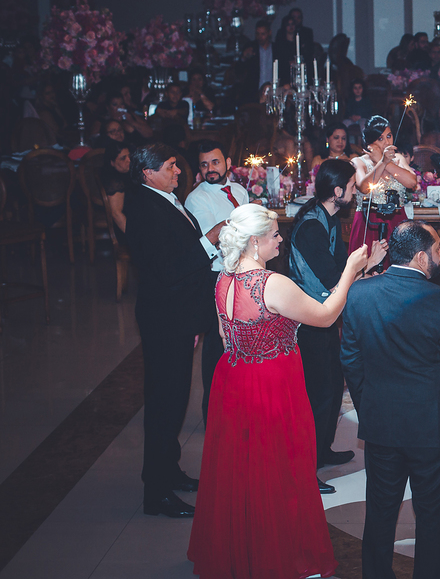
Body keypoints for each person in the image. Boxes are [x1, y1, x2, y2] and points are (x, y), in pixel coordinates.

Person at [187, 205, 369, 578]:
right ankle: (278, 555)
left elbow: (225, 336)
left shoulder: (223, 279)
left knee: (241, 472)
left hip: (234, 380)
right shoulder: (272, 284)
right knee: (279, 470)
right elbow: (325, 316)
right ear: (255, 242)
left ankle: (241, 552)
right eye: (274, 234)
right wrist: (350, 271)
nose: (281, 239)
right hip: (271, 384)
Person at [342, 221, 440, 579]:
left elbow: (350, 360)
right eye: (438, 249)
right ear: (421, 257)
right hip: (430, 430)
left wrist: (369, 408)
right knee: (431, 519)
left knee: (379, 514)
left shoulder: (359, 293)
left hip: (381, 427)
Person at [123, 143, 224, 518]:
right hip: (164, 319)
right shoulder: (144, 208)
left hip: (178, 315)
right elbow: (168, 268)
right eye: (170, 166)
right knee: (164, 403)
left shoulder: (163, 198)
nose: (178, 171)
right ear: (147, 173)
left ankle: (169, 470)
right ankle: (157, 492)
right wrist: (210, 239)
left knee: (177, 396)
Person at [291, 160, 388, 491]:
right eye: (350, 186)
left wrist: (365, 268)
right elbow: (334, 281)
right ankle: (307, 467)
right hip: (308, 318)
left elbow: (338, 272)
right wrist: (367, 266)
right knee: (318, 393)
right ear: (336, 191)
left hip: (326, 314)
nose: (355, 191)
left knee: (333, 387)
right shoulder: (312, 226)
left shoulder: (328, 217)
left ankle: (323, 450)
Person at [183, 140, 251, 422]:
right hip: (216, 275)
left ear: (228, 163)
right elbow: (216, 239)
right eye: (204, 164)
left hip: (243, 273)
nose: (210, 168)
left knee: (241, 341)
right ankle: (213, 413)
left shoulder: (239, 191)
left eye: (215, 162)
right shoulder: (197, 199)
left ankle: (239, 405)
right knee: (215, 347)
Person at [349, 116, 417, 253]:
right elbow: (364, 187)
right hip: (369, 223)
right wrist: (382, 162)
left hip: (397, 221)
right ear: (370, 143)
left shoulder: (398, 159)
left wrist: (384, 161)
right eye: (380, 139)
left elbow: (412, 182)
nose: (387, 142)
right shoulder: (359, 162)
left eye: (389, 136)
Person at [100, 140, 131, 236]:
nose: (129, 160)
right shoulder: (114, 181)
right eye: (123, 158)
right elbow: (116, 213)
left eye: (129, 156)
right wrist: (135, 237)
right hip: (125, 228)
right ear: (112, 162)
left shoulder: (128, 175)